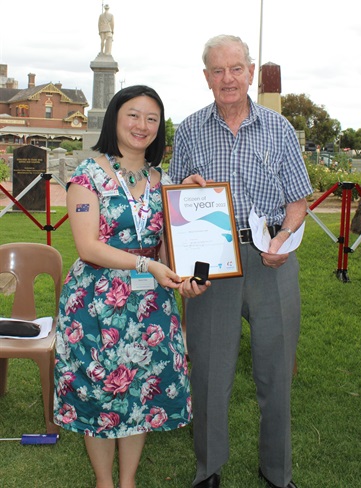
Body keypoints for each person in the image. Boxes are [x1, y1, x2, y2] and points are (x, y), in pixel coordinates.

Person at [168, 35, 313, 488]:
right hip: (212, 262)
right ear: (206, 77)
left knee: (276, 372)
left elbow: (298, 200)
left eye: (236, 69)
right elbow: (173, 203)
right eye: (218, 70)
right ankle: (207, 471)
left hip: (271, 256)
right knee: (209, 373)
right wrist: (187, 188)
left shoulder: (279, 129)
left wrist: (285, 238)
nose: (227, 78)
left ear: (250, 71)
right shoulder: (190, 129)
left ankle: (277, 473)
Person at [53, 85, 209, 488]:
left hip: (150, 304)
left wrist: (184, 275)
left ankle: (128, 482)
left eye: (152, 118)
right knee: (99, 391)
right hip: (96, 302)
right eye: (133, 115)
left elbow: (171, 247)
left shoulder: (165, 181)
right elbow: (88, 246)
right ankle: (105, 483)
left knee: (140, 387)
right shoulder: (88, 175)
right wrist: (148, 265)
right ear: (116, 119)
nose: (142, 125)